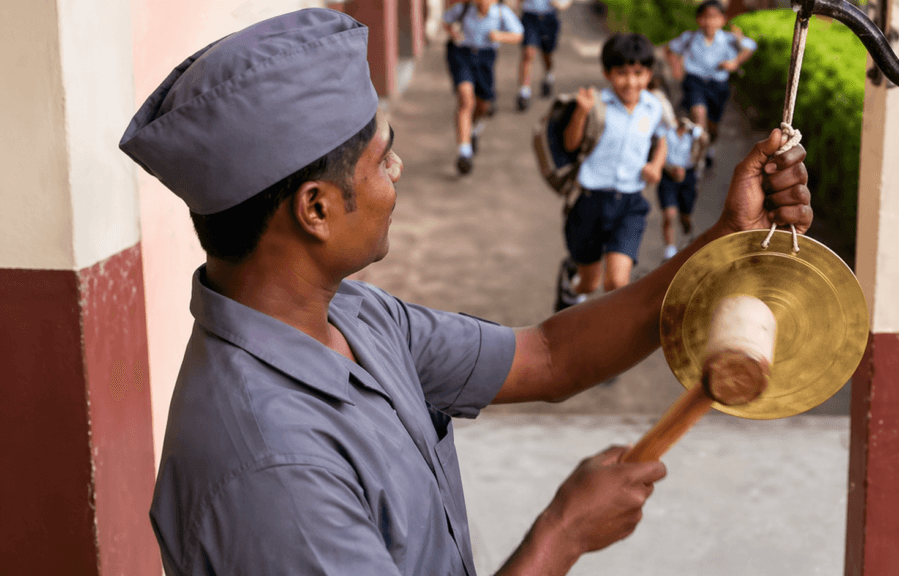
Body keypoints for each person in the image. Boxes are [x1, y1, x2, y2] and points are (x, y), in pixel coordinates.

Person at [119, 9, 812, 576]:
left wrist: (724, 239)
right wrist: (563, 534)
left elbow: (549, 356)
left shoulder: (353, 316)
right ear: (317, 209)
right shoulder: (271, 469)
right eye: (381, 159)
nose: (398, 171)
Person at [555, 32, 668, 312]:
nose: (631, 82)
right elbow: (571, 144)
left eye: (638, 73)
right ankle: (570, 285)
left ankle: (605, 336)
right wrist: (581, 112)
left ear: (649, 73)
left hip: (630, 204)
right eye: (621, 73)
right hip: (590, 202)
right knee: (589, 283)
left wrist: (656, 165)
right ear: (607, 73)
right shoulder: (596, 105)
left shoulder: (654, 107)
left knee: (617, 283)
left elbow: (662, 138)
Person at [664, 0, 756, 167]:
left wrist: (735, 61)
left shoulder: (728, 39)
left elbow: (750, 47)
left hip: (717, 85)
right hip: (695, 81)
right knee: (699, 113)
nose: (709, 22)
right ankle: (695, 150)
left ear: (722, 19)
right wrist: (676, 68)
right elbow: (670, 49)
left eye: (714, 17)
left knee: (713, 124)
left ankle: (709, 145)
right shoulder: (690, 37)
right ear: (699, 19)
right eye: (705, 17)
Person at [444, 0, 524, 175]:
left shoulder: (501, 13)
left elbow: (518, 34)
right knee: (465, 99)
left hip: (485, 58)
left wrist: (499, 36)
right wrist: (453, 33)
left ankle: (474, 128)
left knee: (483, 105)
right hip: (462, 55)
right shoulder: (464, 8)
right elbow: (446, 21)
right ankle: (464, 152)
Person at [657, 117, 708, 261]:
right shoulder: (666, 132)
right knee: (669, 214)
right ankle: (670, 249)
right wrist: (669, 168)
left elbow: (704, 141)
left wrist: (694, 129)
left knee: (685, 216)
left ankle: (688, 235)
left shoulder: (692, 134)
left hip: (687, 175)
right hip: (668, 175)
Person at [516, 0, 572, 112]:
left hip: (549, 17)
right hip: (529, 17)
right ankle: (524, 91)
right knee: (528, 53)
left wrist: (560, 4)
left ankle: (548, 75)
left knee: (547, 53)